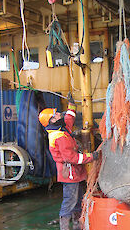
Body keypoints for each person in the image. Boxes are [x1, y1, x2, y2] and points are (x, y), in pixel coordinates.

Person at [39, 92, 99, 230]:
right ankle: (65, 227)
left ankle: (78, 226)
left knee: (77, 201)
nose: (60, 114)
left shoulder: (61, 127)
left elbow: (69, 118)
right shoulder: (58, 136)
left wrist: (71, 104)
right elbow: (71, 158)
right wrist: (91, 156)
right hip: (70, 174)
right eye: (57, 114)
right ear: (52, 121)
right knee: (70, 202)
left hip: (75, 173)